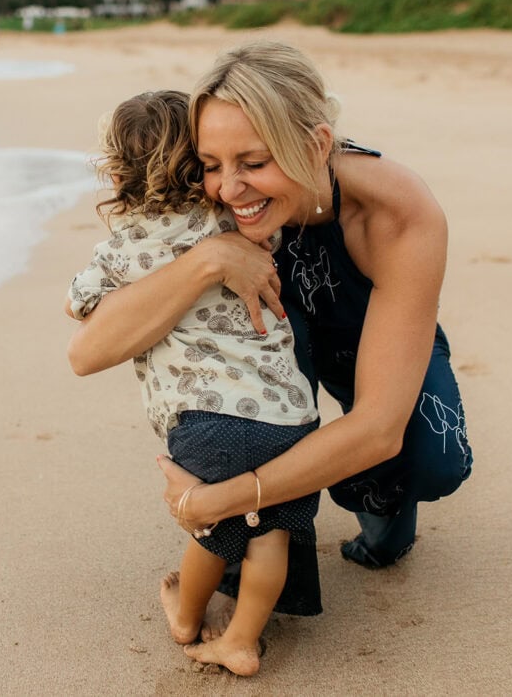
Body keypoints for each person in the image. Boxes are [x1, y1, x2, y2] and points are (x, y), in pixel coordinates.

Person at [67, 40, 472, 601]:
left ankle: (376, 500)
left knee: (433, 460)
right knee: (249, 419)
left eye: (255, 163)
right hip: (268, 358)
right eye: (211, 165)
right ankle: (261, 552)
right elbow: (87, 353)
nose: (231, 191)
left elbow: (378, 427)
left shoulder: (398, 213)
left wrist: (219, 499)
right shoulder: (208, 211)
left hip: (364, 331)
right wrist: (209, 259)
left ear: (316, 145)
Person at [67, 90, 323, 677]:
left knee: (213, 530)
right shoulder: (233, 220)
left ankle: (186, 619)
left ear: (117, 171)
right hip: (289, 415)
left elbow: (79, 305)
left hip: (209, 418)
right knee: (271, 533)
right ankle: (240, 639)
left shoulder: (125, 245)